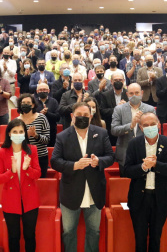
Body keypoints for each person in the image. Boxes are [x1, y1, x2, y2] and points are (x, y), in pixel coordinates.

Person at [51, 102, 114, 252]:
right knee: (68, 232)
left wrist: (99, 161)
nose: (82, 118)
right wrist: (74, 165)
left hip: (94, 191)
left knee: (94, 232)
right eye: (79, 115)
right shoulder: (62, 136)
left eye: (86, 115)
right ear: (72, 116)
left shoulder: (102, 133)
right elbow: (55, 161)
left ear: (91, 117)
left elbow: (111, 157)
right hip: (70, 193)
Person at [124, 112, 167, 252]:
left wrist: (156, 165)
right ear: (141, 128)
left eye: (152, 124)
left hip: (160, 198)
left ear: (159, 125)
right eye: (146, 125)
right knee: (140, 238)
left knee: (156, 237)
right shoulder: (134, 144)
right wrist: (143, 167)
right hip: (139, 199)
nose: (150, 127)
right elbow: (126, 171)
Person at [0, 119, 41, 252]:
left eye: (21, 131)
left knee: (30, 236)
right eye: (15, 131)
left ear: (25, 133)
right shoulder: (1, 152)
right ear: (9, 133)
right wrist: (12, 172)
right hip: (10, 200)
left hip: (30, 199)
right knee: (14, 236)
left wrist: (27, 169)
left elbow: (37, 174)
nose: (18, 134)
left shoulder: (32, 149)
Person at [111, 83, 155, 176]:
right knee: (125, 186)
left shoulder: (150, 109)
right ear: (127, 94)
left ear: (142, 93)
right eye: (131, 93)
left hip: (145, 153)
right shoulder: (119, 109)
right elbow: (114, 130)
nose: (134, 95)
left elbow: (155, 131)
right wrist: (130, 125)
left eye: (137, 93)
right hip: (124, 154)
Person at [17, 94, 50, 177]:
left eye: (28, 102)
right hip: (23, 157)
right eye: (23, 103)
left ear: (33, 105)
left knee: (40, 184)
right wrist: (25, 136)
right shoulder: (16, 121)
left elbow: (47, 140)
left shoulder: (42, 118)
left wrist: (36, 135)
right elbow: (14, 142)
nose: (25, 104)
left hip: (40, 157)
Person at [100, 71, 129, 146]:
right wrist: (117, 108)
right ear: (111, 82)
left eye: (120, 80)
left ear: (123, 81)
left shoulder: (129, 94)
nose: (118, 82)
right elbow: (102, 111)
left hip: (127, 128)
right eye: (116, 80)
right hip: (111, 128)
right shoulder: (105, 95)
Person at [36, 83, 60, 147]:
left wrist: (47, 113)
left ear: (48, 91)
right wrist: (39, 114)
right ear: (37, 91)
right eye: (40, 90)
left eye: (44, 89)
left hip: (51, 132)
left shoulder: (54, 101)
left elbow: (58, 117)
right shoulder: (34, 102)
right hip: (37, 132)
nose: (42, 91)